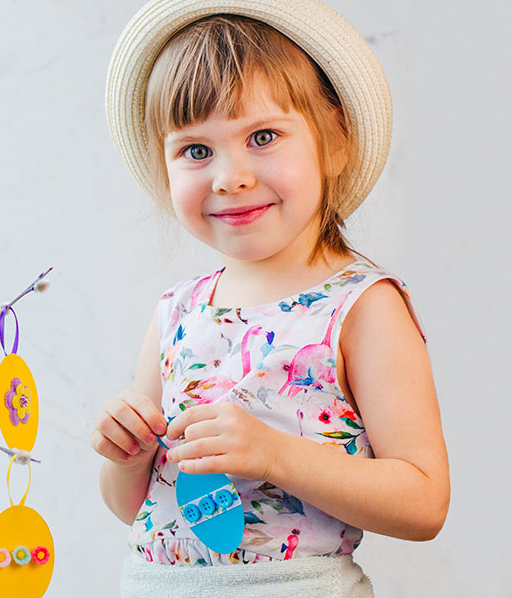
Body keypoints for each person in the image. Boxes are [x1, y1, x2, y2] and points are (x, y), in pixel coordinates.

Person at [91, 0, 450, 595]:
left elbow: (424, 502)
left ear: (334, 141)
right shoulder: (177, 313)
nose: (229, 176)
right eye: (196, 151)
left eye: (262, 136)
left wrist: (274, 455)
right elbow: (135, 507)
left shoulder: (362, 308)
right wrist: (125, 456)